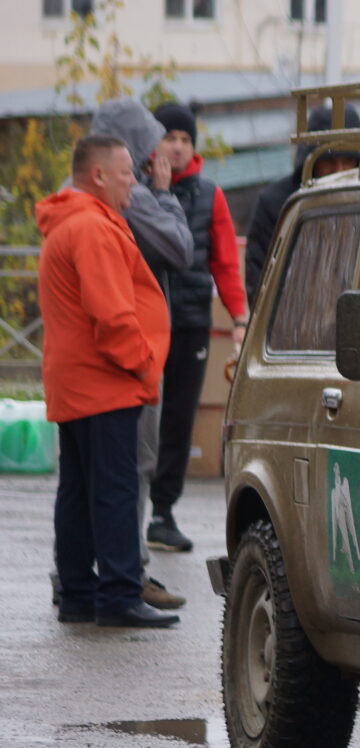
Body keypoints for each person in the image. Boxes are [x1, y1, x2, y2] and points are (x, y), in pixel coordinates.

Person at [36, 135, 179, 628]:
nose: (134, 183)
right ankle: (119, 594)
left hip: (74, 383)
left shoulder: (66, 224)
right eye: (125, 174)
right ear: (97, 176)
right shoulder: (93, 229)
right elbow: (112, 315)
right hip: (106, 382)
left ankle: (77, 592)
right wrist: (145, 366)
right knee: (115, 490)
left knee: (76, 491)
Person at [87, 98, 193, 610]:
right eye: (148, 143)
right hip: (133, 356)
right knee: (133, 465)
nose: (158, 153)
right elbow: (180, 249)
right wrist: (164, 192)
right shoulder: (132, 195)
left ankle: (97, 572)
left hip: (118, 357)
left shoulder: (86, 197)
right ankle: (125, 576)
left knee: (99, 470)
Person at [147, 102, 249, 553]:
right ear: (155, 142)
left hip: (189, 323)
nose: (178, 146)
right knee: (141, 416)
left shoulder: (212, 195)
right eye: (171, 137)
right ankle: (132, 508)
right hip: (144, 323)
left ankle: (163, 512)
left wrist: (239, 318)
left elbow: (226, 263)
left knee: (178, 420)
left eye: (186, 139)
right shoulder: (135, 188)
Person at [244, 104, 360, 303]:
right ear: (312, 161)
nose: (339, 170)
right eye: (330, 162)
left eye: (348, 160)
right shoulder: (279, 204)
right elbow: (260, 280)